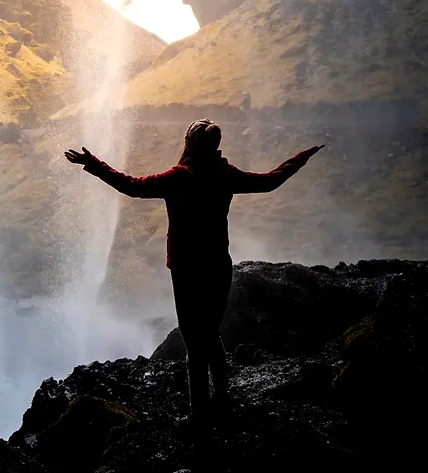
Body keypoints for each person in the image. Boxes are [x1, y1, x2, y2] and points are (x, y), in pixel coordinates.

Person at [64, 119, 324, 425]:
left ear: (189, 144)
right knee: (210, 334)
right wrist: (301, 157)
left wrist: (93, 163)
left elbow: (131, 186)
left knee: (194, 341)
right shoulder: (225, 174)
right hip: (217, 266)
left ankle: (199, 414)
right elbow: (269, 181)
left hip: (187, 270)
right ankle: (222, 398)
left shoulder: (178, 178)